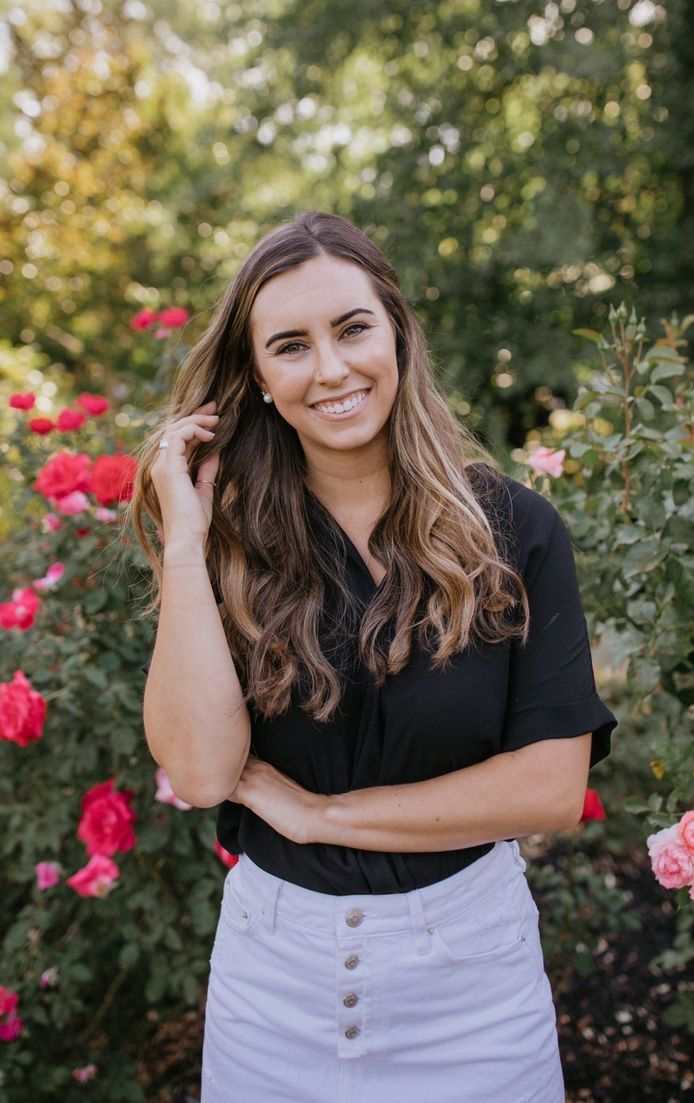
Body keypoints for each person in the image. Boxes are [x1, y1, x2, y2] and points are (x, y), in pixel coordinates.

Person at [134, 209, 617, 1103]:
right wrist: (183, 545)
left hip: (475, 988)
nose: (331, 368)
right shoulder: (229, 545)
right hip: (273, 987)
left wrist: (322, 815)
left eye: (352, 328)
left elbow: (548, 789)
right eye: (290, 344)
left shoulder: (515, 531)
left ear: (396, 330)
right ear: (259, 380)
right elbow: (203, 773)